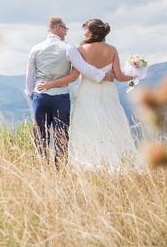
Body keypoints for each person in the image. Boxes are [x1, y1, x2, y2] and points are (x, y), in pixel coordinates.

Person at [36, 19, 139, 170]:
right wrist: (136, 75)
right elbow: (119, 76)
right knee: (112, 124)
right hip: (108, 92)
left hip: (87, 92)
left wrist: (49, 84)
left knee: (86, 126)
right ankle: (118, 161)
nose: (84, 32)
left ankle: (90, 162)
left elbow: (74, 76)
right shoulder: (112, 49)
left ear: (92, 32)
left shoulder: (81, 50)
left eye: (85, 29)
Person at [25, 17, 114, 166]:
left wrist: (31, 95)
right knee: (62, 136)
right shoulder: (68, 47)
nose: (66, 33)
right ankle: (61, 170)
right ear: (58, 28)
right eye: (65, 30)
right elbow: (83, 68)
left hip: (40, 97)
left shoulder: (35, 48)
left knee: (40, 137)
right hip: (60, 98)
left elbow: (30, 76)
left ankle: (43, 170)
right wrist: (104, 75)